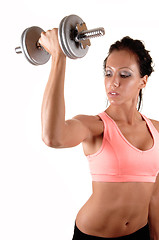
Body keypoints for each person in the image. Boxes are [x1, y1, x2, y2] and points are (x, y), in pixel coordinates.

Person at [39, 29, 159, 239]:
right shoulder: (95, 126)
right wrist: (59, 58)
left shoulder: (156, 130)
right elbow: (53, 137)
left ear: (143, 81)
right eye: (108, 72)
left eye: (124, 74)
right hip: (93, 235)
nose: (114, 82)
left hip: (140, 233)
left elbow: (156, 195)